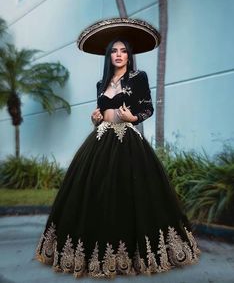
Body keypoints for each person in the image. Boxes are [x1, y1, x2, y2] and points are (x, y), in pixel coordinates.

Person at [35, 18, 200, 279]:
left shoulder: (138, 77)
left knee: (131, 194)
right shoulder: (102, 83)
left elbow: (148, 106)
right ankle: (90, 253)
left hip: (128, 140)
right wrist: (95, 118)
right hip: (101, 139)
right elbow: (101, 111)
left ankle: (135, 255)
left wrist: (134, 118)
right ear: (108, 55)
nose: (119, 55)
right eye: (114, 50)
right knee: (93, 193)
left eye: (123, 50)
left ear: (130, 55)